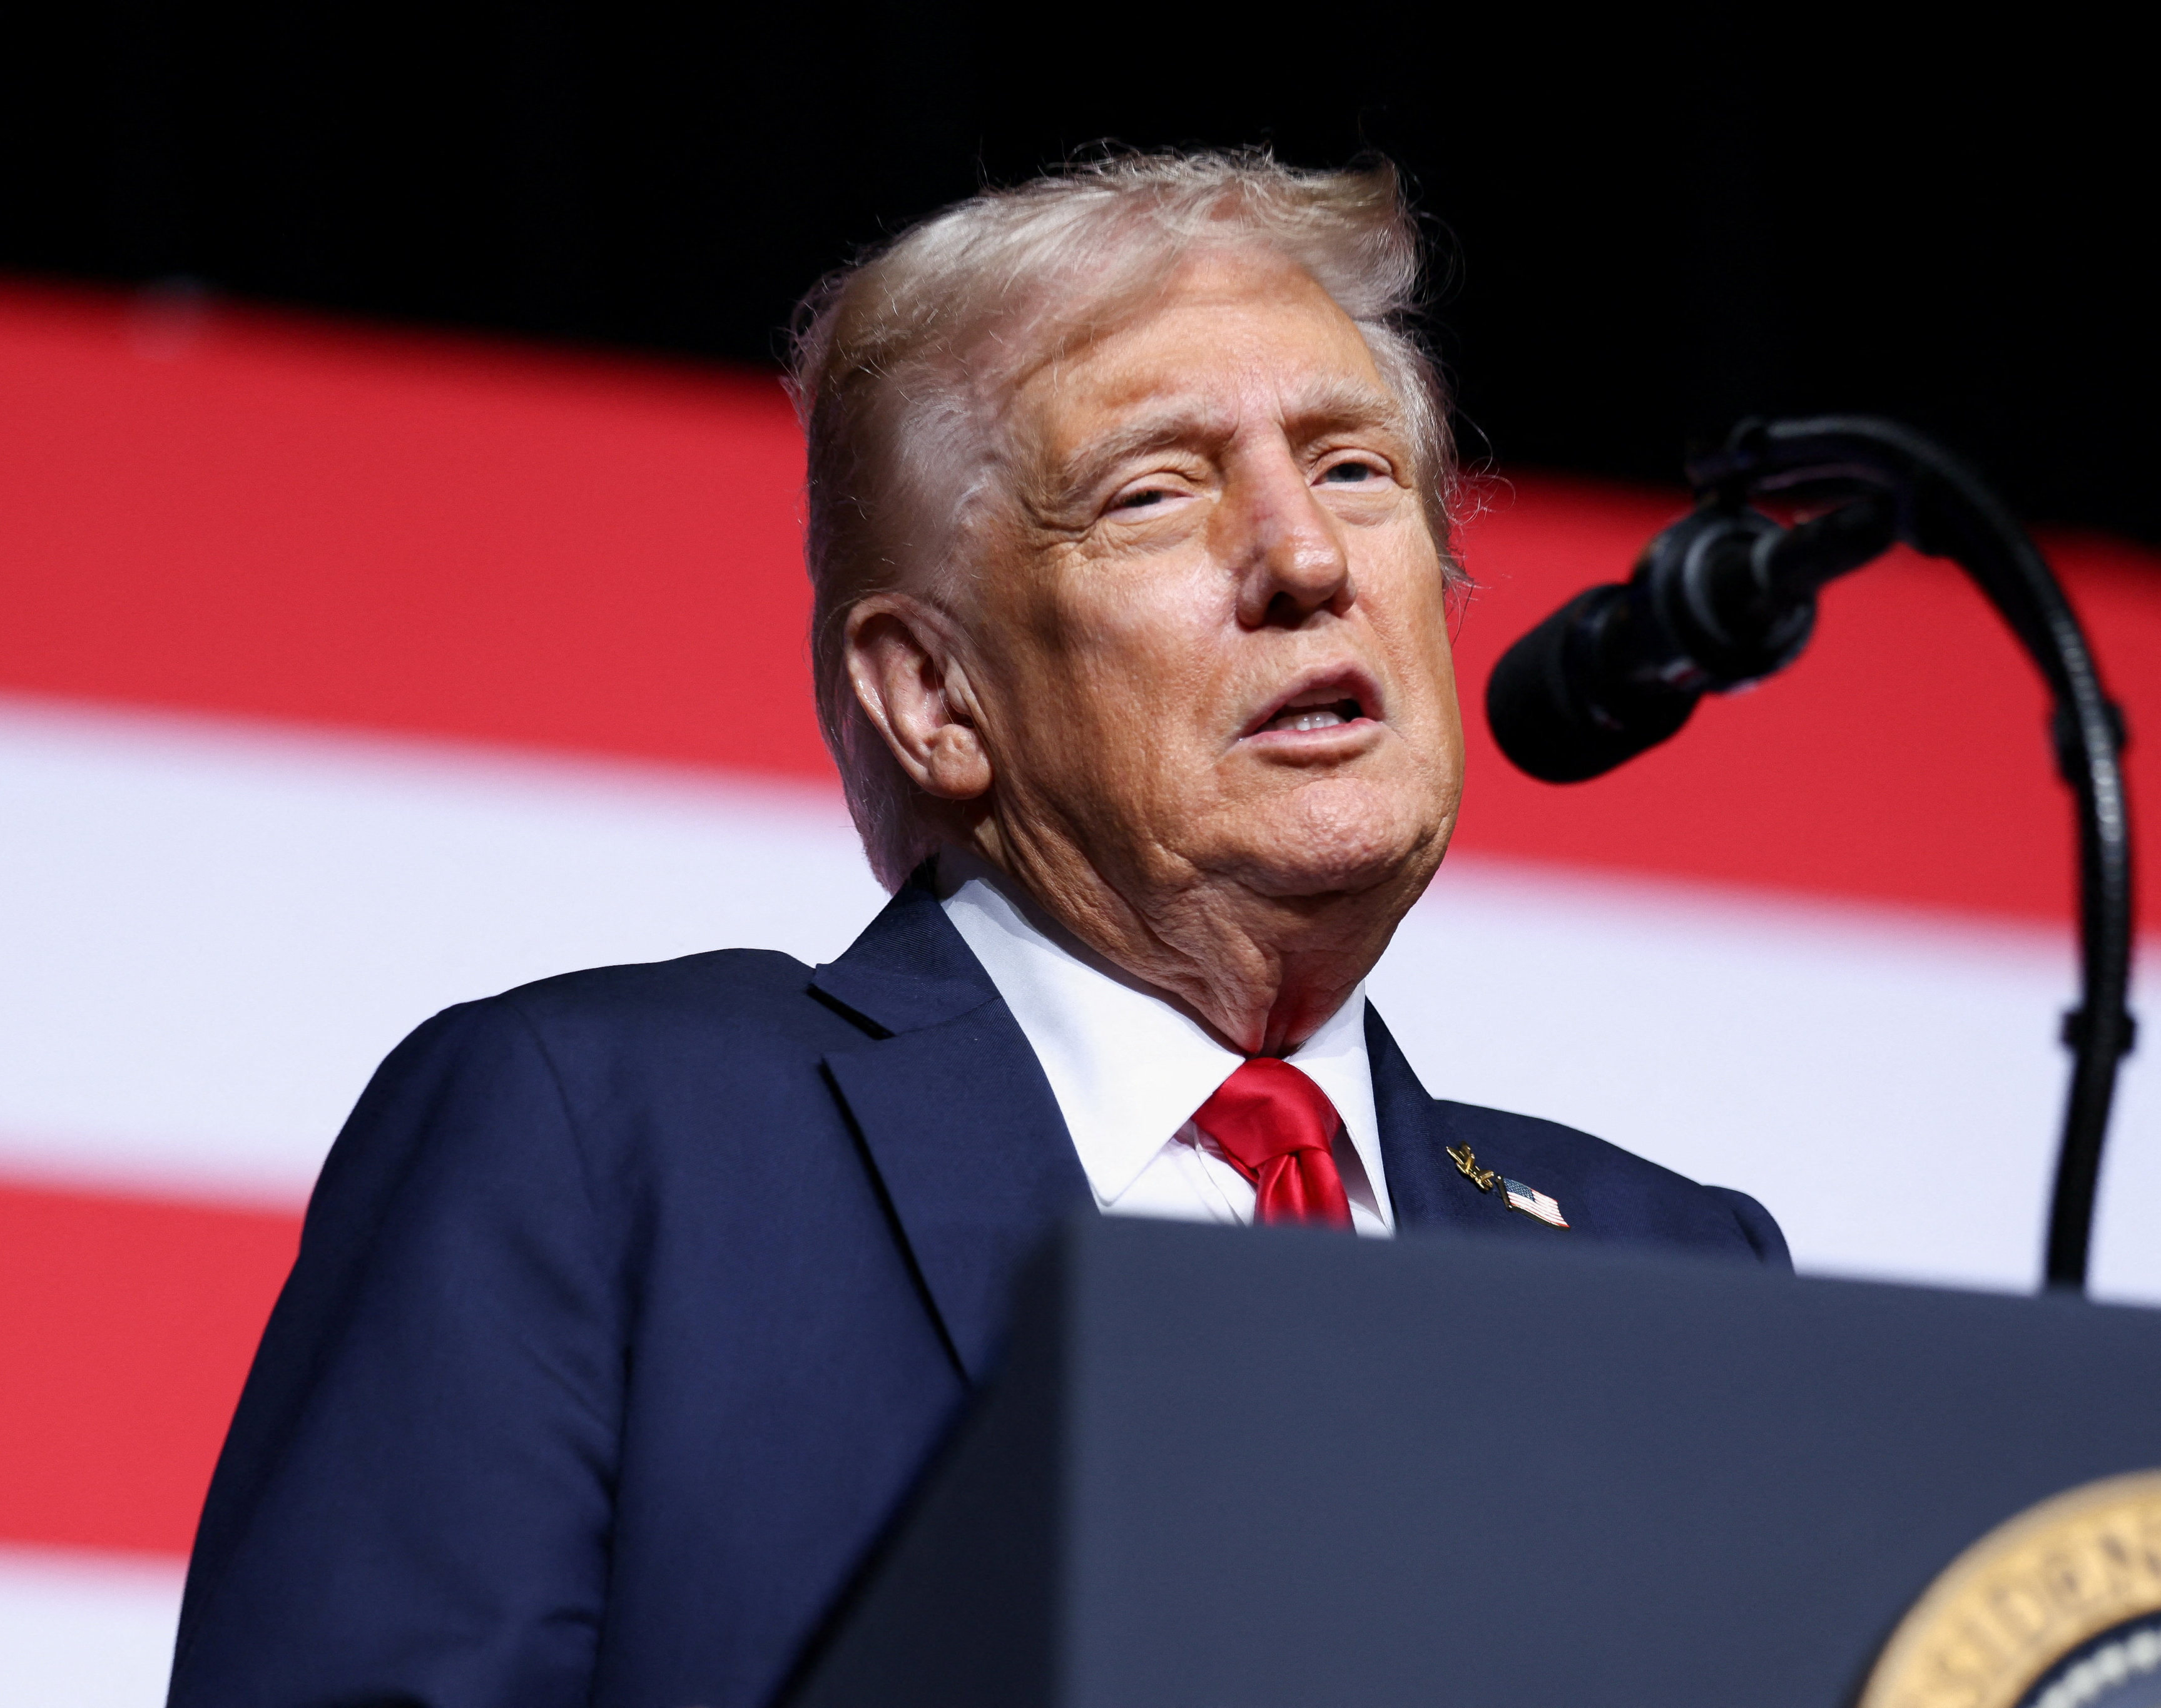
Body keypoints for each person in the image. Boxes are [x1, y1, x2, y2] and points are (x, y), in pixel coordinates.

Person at [165, 151, 1788, 1708]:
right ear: (935, 695)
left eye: (1356, 467)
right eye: (1155, 491)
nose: (1307, 556)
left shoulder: (1678, 1270)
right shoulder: (606, 1143)